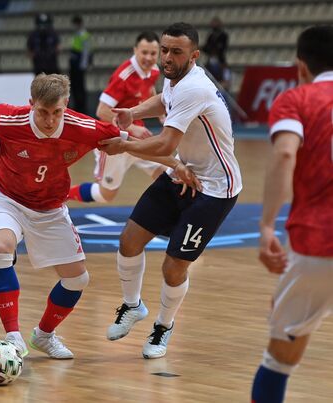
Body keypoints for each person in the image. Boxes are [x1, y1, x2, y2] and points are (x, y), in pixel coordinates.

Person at [0, 74, 196, 359]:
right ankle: (13, 337)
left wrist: (175, 166)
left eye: (57, 113)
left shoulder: (84, 127)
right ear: (31, 103)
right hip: (5, 196)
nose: (50, 120)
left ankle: (43, 336)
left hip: (49, 207)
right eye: (43, 112)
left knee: (77, 279)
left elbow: (135, 142)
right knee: (1, 247)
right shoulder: (8, 118)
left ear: (66, 106)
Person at [98, 22, 242, 359]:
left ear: (194, 55)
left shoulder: (195, 87)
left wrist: (124, 145)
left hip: (215, 189)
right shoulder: (175, 77)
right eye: (164, 50)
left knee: (173, 266)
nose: (166, 57)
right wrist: (131, 112)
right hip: (185, 174)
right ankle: (132, 306)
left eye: (175, 52)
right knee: (129, 241)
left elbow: (164, 142)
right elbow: (164, 101)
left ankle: (163, 327)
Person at [251, 25, 333, 403]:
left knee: (280, 357)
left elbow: (285, 154)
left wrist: (267, 224)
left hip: (318, 244)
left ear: (300, 66)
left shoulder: (296, 99)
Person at [68, 32, 164, 203]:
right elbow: (102, 111)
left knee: (164, 174)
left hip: (137, 138)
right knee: (106, 195)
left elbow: (149, 90)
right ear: (135, 50)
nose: (149, 58)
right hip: (114, 140)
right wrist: (132, 127)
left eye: (153, 53)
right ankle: (61, 194)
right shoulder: (123, 77)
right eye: (144, 52)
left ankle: (168, 217)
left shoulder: (154, 70)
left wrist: (161, 114)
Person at [69, 15, 91, 114]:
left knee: (80, 87)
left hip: (79, 66)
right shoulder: (77, 34)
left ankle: (81, 108)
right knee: (74, 86)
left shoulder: (84, 35)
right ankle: (77, 106)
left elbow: (86, 52)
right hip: (74, 65)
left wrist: (83, 65)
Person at [202, 16, 229, 83]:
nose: (214, 25)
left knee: (221, 77)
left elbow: (223, 47)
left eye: (215, 23)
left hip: (219, 60)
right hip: (210, 59)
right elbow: (206, 47)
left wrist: (215, 49)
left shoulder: (223, 35)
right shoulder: (211, 35)